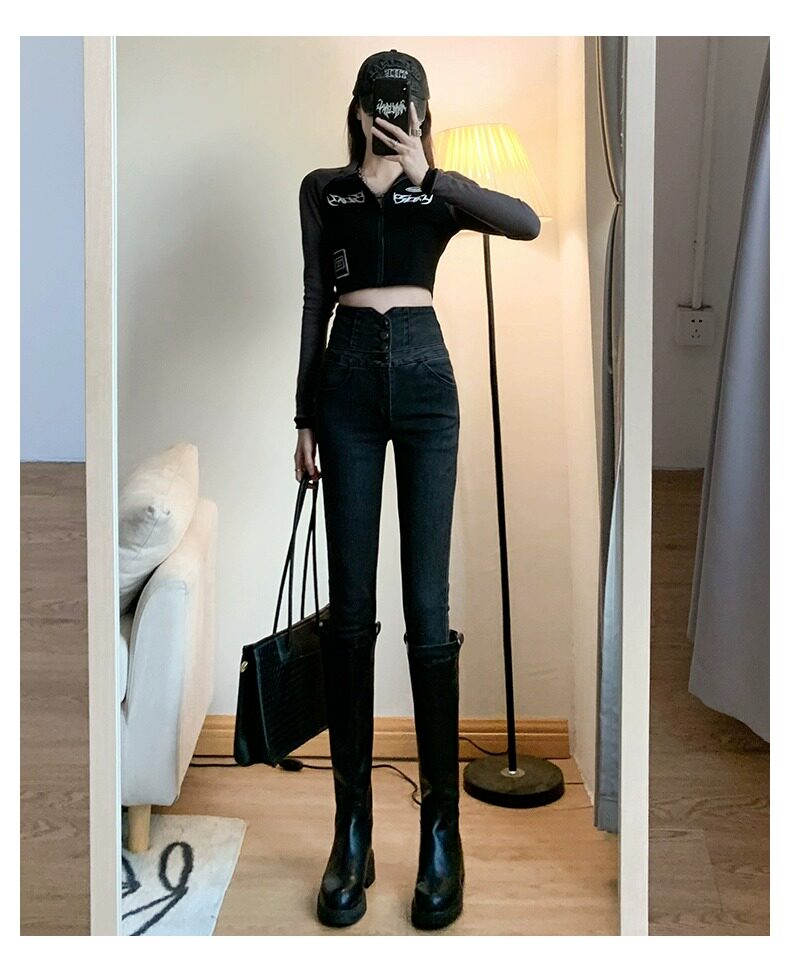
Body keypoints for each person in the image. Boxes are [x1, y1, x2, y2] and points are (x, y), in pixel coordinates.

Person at [292, 49, 541, 931]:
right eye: (380, 106)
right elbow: (316, 296)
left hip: (429, 385)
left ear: (424, 114)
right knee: (351, 613)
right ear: (359, 110)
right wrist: (304, 416)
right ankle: (351, 832)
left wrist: (427, 171)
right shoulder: (323, 191)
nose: (392, 119)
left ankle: (443, 834)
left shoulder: (438, 192)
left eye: (406, 108)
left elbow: (526, 222)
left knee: (427, 612)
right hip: (347, 387)